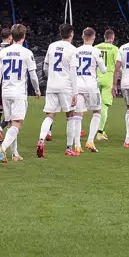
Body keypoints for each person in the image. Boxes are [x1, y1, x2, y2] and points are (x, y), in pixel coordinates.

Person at [0, 23, 38, 161]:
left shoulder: (3, 52)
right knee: (17, 124)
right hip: (18, 93)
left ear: (11, 36)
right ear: (24, 36)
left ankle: (15, 153)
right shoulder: (27, 53)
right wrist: (37, 90)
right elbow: (33, 76)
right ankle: (2, 148)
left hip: (5, 93)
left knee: (12, 123)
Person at [37, 24, 79, 158]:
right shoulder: (73, 49)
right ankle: (68, 148)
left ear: (60, 33)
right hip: (66, 85)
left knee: (50, 115)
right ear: (71, 34)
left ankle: (41, 140)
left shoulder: (52, 46)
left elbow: (45, 68)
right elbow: (73, 72)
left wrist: (52, 78)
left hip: (52, 85)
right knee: (70, 116)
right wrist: (75, 92)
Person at [73, 27, 107, 153]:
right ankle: (90, 141)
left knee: (78, 115)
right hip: (92, 85)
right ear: (94, 37)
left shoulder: (76, 51)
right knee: (97, 111)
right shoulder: (96, 51)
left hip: (78, 85)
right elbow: (103, 70)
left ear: (82, 37)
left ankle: (77, 145)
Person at [93, 27, 119, 142]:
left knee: (94, 106)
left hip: (96, 78)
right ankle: (99, 132)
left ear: (104, 37)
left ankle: (100, 130)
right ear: (112, 38)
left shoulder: (96, 47)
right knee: (104, 106)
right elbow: (118, 67)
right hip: (108, 78)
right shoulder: (114, 49)